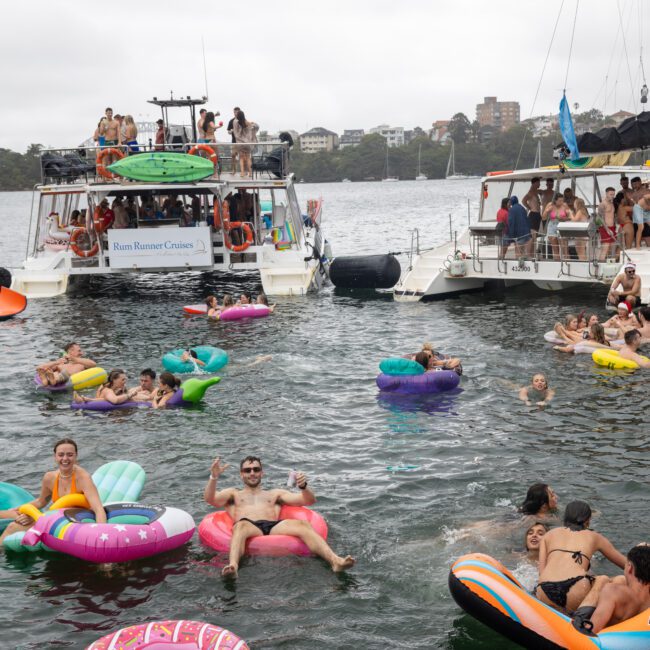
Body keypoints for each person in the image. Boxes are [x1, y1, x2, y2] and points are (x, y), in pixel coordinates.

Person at [204, 456, 355, 577]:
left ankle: (335, 561)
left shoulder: (275, 494)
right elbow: (210, 499)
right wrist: (213, 477)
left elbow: (308, 501)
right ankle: (233, 567)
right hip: (248, 527)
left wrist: (304, 486)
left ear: (262, 473)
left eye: (256, 469)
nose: (252, 473)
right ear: (241, 474)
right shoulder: (233, 494)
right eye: (248, 470)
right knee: (241, 526)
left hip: (272, 526)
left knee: (303, 525)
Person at [0, 438, 106, 544]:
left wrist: (101, 535)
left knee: (14, 526)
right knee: (13, 524)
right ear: (55, 457)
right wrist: (19, 509)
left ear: (76, 456)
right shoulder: (50, 477)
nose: (65, 458)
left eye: (70, 455)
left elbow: (98, 509)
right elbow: (41, 502)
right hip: (56, 518)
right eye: (61, 455)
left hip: (77, 519)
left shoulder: (83, 478)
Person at [535, 501, 626, 614]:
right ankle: (581, 617)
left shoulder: (548, 535)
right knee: (610, 579)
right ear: (587, 521)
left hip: (544, 589)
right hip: (577, 589)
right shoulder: (595, 536)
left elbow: (541, 572)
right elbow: (626, 565)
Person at [572, 544, 650, 634]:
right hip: (631, 639)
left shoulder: (614, 591)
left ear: (630, 567)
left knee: (602, 579)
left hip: (600, 640)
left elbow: (591, 630)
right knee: (619, 579)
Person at [73, 369, 140, 405]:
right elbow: (115, 400)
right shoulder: (107, 390)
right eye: (122, 380)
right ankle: (84, 400)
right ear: (114, 380)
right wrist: (130, 395)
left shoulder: (121, 387)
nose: (125, 381)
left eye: (125, 379)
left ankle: (85, 399)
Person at [542, 193, 572, 260]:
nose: (561, 202)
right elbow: (543, 218)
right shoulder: (550, 205)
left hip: (562, 225)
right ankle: (557, 266)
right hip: (552, 226)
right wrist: (547, 211)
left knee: (565, 249)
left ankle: (568, 265)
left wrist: (563, 218)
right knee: (555, 250)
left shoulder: (564, 205)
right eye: (559, 201)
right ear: (555, 200)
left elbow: (570, 217)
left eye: (562, 200)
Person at [231, 110, 259, 178]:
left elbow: (235, 132)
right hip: (248, 144)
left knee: (241, 158)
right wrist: (253, 123)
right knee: (248, 157)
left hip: (240, 144)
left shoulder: (235, 122)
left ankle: (242, 173)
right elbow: (256, 127)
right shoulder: (248, 123)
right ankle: (250, 173)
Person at [597, 187, 618, 261]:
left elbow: (613, 216)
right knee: (605, 248)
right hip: (604, 227)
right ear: (606, 194)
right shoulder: (602, 204)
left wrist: (617, 226)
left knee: (613, 247)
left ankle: (611, 265)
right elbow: (600, 218)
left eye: (613, 194)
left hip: (613, 227)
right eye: (611, 194)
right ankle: (599, 267)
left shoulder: (612, 203)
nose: (612, 196)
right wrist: (607, 229)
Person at [522, 177, 542, 247]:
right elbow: (523, 200)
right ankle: (532, 253)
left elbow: (541, 191)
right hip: (533, 214)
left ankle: (533, 252)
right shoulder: (531, 192)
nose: (540, 184)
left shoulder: (536, 191)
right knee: (533, 235)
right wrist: (529, 208)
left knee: (535, 235)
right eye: (539, 182)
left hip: (537, 214)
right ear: (535, 183)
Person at [227, 106, 241, 174]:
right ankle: (233, 170)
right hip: (234, 141)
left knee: (243, 156)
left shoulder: (242, 120)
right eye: (234, 112)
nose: (235, 113)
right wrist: (231, 131)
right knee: (233, 155)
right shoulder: (231, 121)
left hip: (242, 142)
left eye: (237, 112)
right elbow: (228, 132)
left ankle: (245, 171)